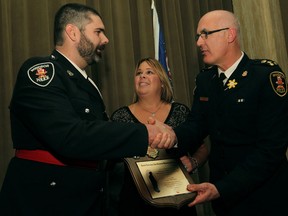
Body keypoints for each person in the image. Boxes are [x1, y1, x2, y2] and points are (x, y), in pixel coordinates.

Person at [0, 3, 176, 216]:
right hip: (47, 201)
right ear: (73, 32)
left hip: (85, 200)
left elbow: (98, 141)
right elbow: (70, 136)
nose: (105, 39)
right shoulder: (42, 71)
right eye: (98, 32)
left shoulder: (84, 82)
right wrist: (145, 133)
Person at [174, 10, 288, 216]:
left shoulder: (264, 76)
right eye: (197, 36)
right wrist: (169, 137)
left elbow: (271, 149)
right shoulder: (205, 81)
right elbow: (196, 126)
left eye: (205, 34)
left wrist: (222, 188)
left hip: (264, 199)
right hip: (225, 203)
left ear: (230, 35)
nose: (199, 43)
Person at [109, 57, 209, 216]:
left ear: (162, 81)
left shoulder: (180, 112)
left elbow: (202, 148)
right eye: (139, 73)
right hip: (134, 202)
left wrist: (193, 162)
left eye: (149, 72)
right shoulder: (120, 117)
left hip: (177, 199)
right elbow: (110, 162)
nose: (142, 76)